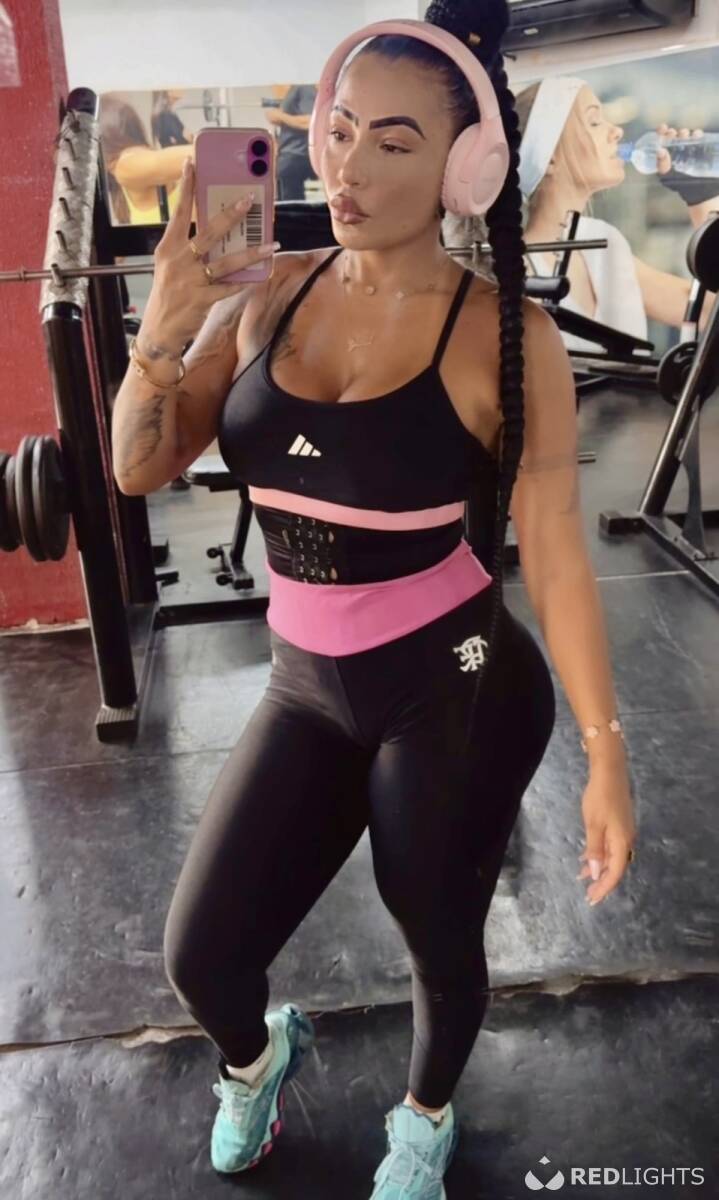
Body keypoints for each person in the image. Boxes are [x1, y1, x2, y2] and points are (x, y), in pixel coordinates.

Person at [112, 0, 637, 1194]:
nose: (346, 166)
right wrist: (165, 328)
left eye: (393, 142)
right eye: (339, 129)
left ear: (463, 169)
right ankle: (258, 1061)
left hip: (453, 680)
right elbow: (139, 467)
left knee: (432, 927)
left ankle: (425, 1115)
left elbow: (555, 555)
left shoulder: (502, 337)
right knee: (201, 958)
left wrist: (606, 755)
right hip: (306, 684)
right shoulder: (266, 293)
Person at [514, 77, 719, 352]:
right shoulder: (516, 271)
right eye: (594, 122)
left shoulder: (605, 244)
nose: (617, 132)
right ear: (549, 156)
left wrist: (701, 198)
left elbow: (708, 312)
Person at [266, 82, 319, 199]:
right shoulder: (293, 91)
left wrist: (280, 117)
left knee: (292, 206)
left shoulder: (304, 88)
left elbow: (310, 122)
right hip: (288, 158)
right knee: (284, 204)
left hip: (296, 158)